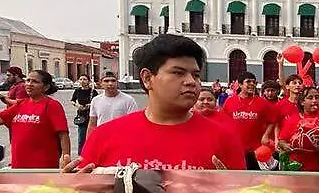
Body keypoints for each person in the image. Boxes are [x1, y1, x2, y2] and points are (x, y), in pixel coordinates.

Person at [75, 35, 243, 171]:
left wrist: (229, 188)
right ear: (147, 78)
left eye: (196, 75)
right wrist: (66, 189)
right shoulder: (104, 137)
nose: (191, 81)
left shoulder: (224, 140)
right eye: (178, 73)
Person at [0, 70, 70, 170]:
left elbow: (63, 134)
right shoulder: (20, 104)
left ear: (46, 87)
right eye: (28, 80)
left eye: (35, 81)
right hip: (19, 165)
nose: (29, 84)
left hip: (43, 166)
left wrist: (65, 157)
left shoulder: (52, 105)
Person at [223, 72, 277, 169]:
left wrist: (266, 135)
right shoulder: (230, 101)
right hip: (236, 150)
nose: (252, 84)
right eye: (248, 82)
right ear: (239, 84)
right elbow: (223, 122)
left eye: (254, 82)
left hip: (256, 150)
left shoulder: (262, 103)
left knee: (255, 179)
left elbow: (272, 121)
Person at [277, 86, 319, 172]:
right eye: (310, 98)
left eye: (317, 97)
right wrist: (286, 146)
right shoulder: (292, 120)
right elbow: (282, 141)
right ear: (302, 102)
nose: (314, 101)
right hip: (298, 168)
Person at [86, 72, 139, 139]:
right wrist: (88, 143)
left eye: (113, 81)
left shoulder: (128, 100)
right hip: (102, 139)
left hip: (121, 139)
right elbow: (92, 124)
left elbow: (134, 123)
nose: (110, 84)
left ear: (117, 83)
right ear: (101, 84)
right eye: (106, 81)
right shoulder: (96, 100)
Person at [70, 76, 97, 155]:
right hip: (81, 116)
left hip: (92, 116)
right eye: (81, 79)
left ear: (88, 81)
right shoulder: (77, 91)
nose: (82, 81)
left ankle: (92, 153)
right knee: (81, 136)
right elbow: (72, 100)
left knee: (92, 136)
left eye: (85, 79)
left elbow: (97, 102)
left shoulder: (93, 91)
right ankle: (81, 154)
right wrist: (77, 105)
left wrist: (90, 104)